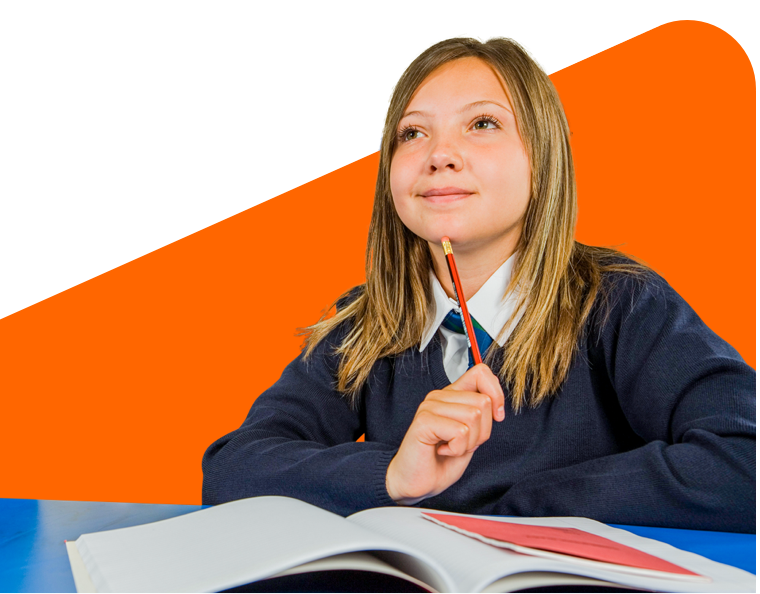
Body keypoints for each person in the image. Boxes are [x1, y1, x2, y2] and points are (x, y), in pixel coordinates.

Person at [202, 35, 756, 533]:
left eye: (483, 123)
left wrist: (513, 510)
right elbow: (232, 470)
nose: (440, 156)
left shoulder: (620, 304)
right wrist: (393, 476)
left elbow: (744, 456)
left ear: (542, 158)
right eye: (413, 133)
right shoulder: (360, 328)